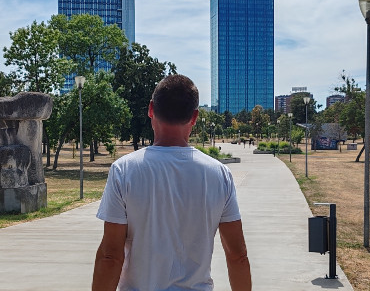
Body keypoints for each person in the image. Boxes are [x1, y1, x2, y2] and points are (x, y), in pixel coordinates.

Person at [92, 74, 251, 291]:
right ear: (194, 117)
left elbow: (110, 256)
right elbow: (238, 255)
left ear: (150, 109)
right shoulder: (219, 174)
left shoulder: (124, 171)